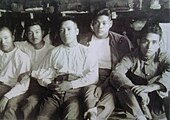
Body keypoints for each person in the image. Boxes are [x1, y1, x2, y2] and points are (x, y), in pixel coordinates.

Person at [31, 16, 98, 120]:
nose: (65, 33)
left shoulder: (86, 52)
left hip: (75, 93)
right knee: (41, 118)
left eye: (69, 29)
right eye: (62, 30)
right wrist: (48, 84)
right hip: (55, 92)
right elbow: (41, 73)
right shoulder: (54, 52)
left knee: (70, 117)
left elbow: (93, 76)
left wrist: (71, 84)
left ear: (76, 31)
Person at [79, 8, 132, 120]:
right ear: (92, 24)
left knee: (110, 96)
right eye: (96, 23)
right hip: (90, 76)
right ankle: (94, 113)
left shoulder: (121, 41)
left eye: (104, 23)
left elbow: (120, 69)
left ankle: (93, 115)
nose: (100, 26)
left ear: (110, 24)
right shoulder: (83, 39)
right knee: (89, 92)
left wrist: (102, 86)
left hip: (111, 77)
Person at [110, 23, 170, 120]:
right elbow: (116, 73)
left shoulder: (163, 56)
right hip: (137, 101)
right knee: (121, 87)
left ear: (159, 44)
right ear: (138, 42)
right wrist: (134, 88)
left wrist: (153, 87)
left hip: (157, 101)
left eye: (154, 42)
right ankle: (140, 117)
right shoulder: (130, 57)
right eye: (145, 41)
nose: (149, 46)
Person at [14, 20, 54, 119]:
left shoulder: (52, 50)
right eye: (30, 33)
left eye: (37, 32)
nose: (34, 36)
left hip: (43, 86)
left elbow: (51, 72)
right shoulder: (22, 46)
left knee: (30, 103)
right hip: (25, 84)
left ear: (43, 33)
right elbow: (7, 44)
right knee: (12, 103)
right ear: (26, 34)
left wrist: (30, 73)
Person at [0, 26, 31, 120]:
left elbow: (23, 85)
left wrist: (6, 97)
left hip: (14, 88)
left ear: (13, 38)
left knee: (10, 108)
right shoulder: (1, 53)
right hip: (1, 86)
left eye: (6, 38)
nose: (3, 42)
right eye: (0, 39)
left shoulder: (22, 57)